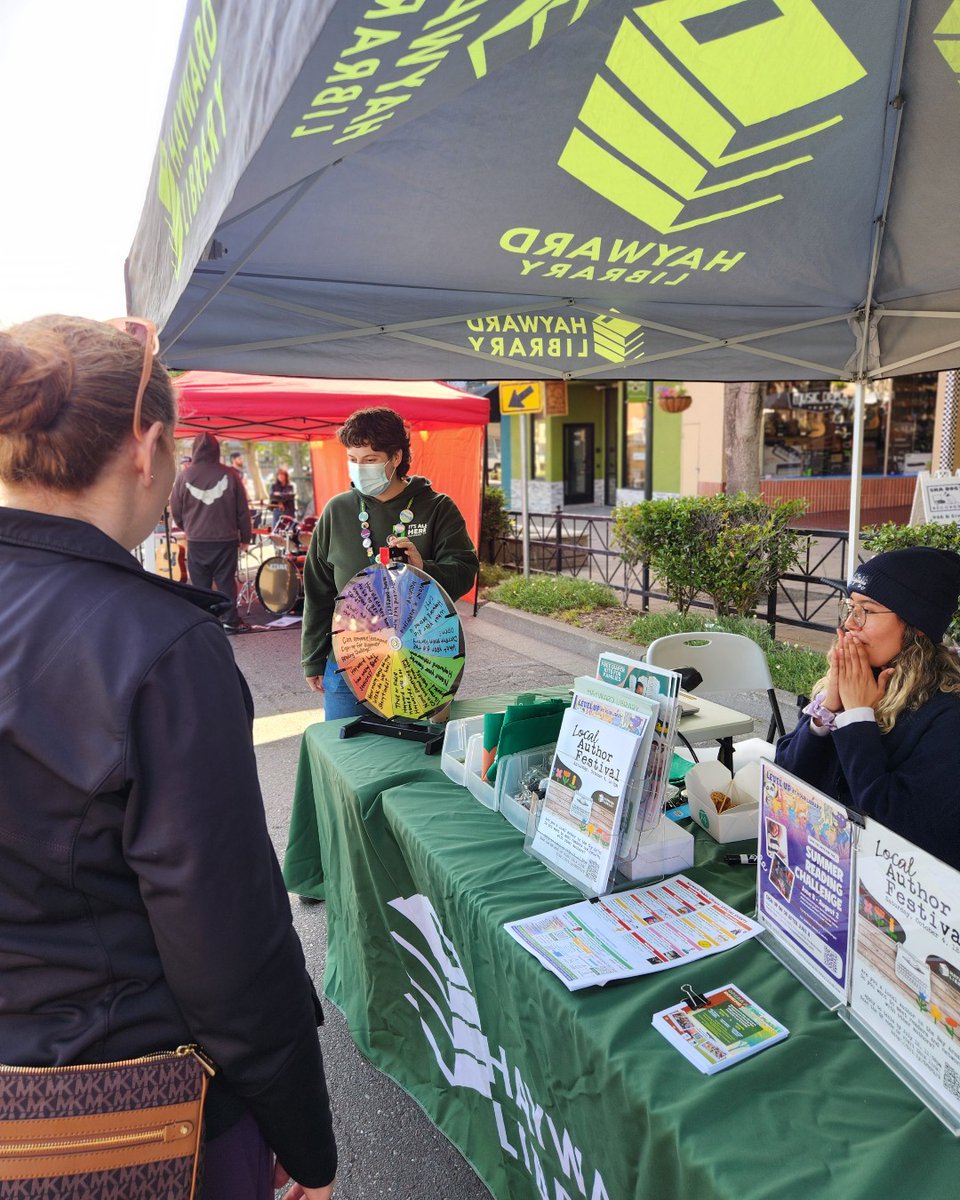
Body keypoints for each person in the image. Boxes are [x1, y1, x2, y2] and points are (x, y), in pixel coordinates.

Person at [0, 315, 336, 1200]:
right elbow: (229, 947)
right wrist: (305, 1138)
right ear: (148, 446)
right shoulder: (158, 645)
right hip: (126, 1111)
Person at [775, 546, 960, 869]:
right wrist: (826, 710)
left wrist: (858, 718)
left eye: (866, 611)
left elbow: (899, 826)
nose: (849, 624)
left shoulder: (947, 711)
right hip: (824, 868)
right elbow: (786, 779)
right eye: (849, 608)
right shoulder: (857, 678)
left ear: (915, 626)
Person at [302, 406, 479, 719]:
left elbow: (464, 572)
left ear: (396, 457)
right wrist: (313, 659)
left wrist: (424, 570)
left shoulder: (437, 508)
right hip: (348, 663)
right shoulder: (337, 511)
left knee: (413, 753)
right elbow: (319, 592)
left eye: (370, 460)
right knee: (349, 759)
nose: (359, 469)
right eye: (353, 460)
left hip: (420, 660)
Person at [171, 432, 253, 634]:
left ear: (194, 451)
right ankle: (230, 621)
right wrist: (245, 537)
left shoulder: (185, 476)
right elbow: (243, 510)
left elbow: (175, 510)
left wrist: (188, 527)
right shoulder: (230, 474)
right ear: (217, 450)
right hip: (225, 539)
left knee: (200, 585)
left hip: (198, 540)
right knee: (226, 582)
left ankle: (203, 625)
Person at [270, 465, 297, 530]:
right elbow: (272, 497)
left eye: (282, 475)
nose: (280, 476)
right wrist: (280, 501)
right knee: (275, 529)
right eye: (279, 475)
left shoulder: (290, 486)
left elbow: (290, 496)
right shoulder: (274, 486)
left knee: (291, 529)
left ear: (286, 476)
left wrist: (279, 495)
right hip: (277, 510)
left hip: (288, 510)